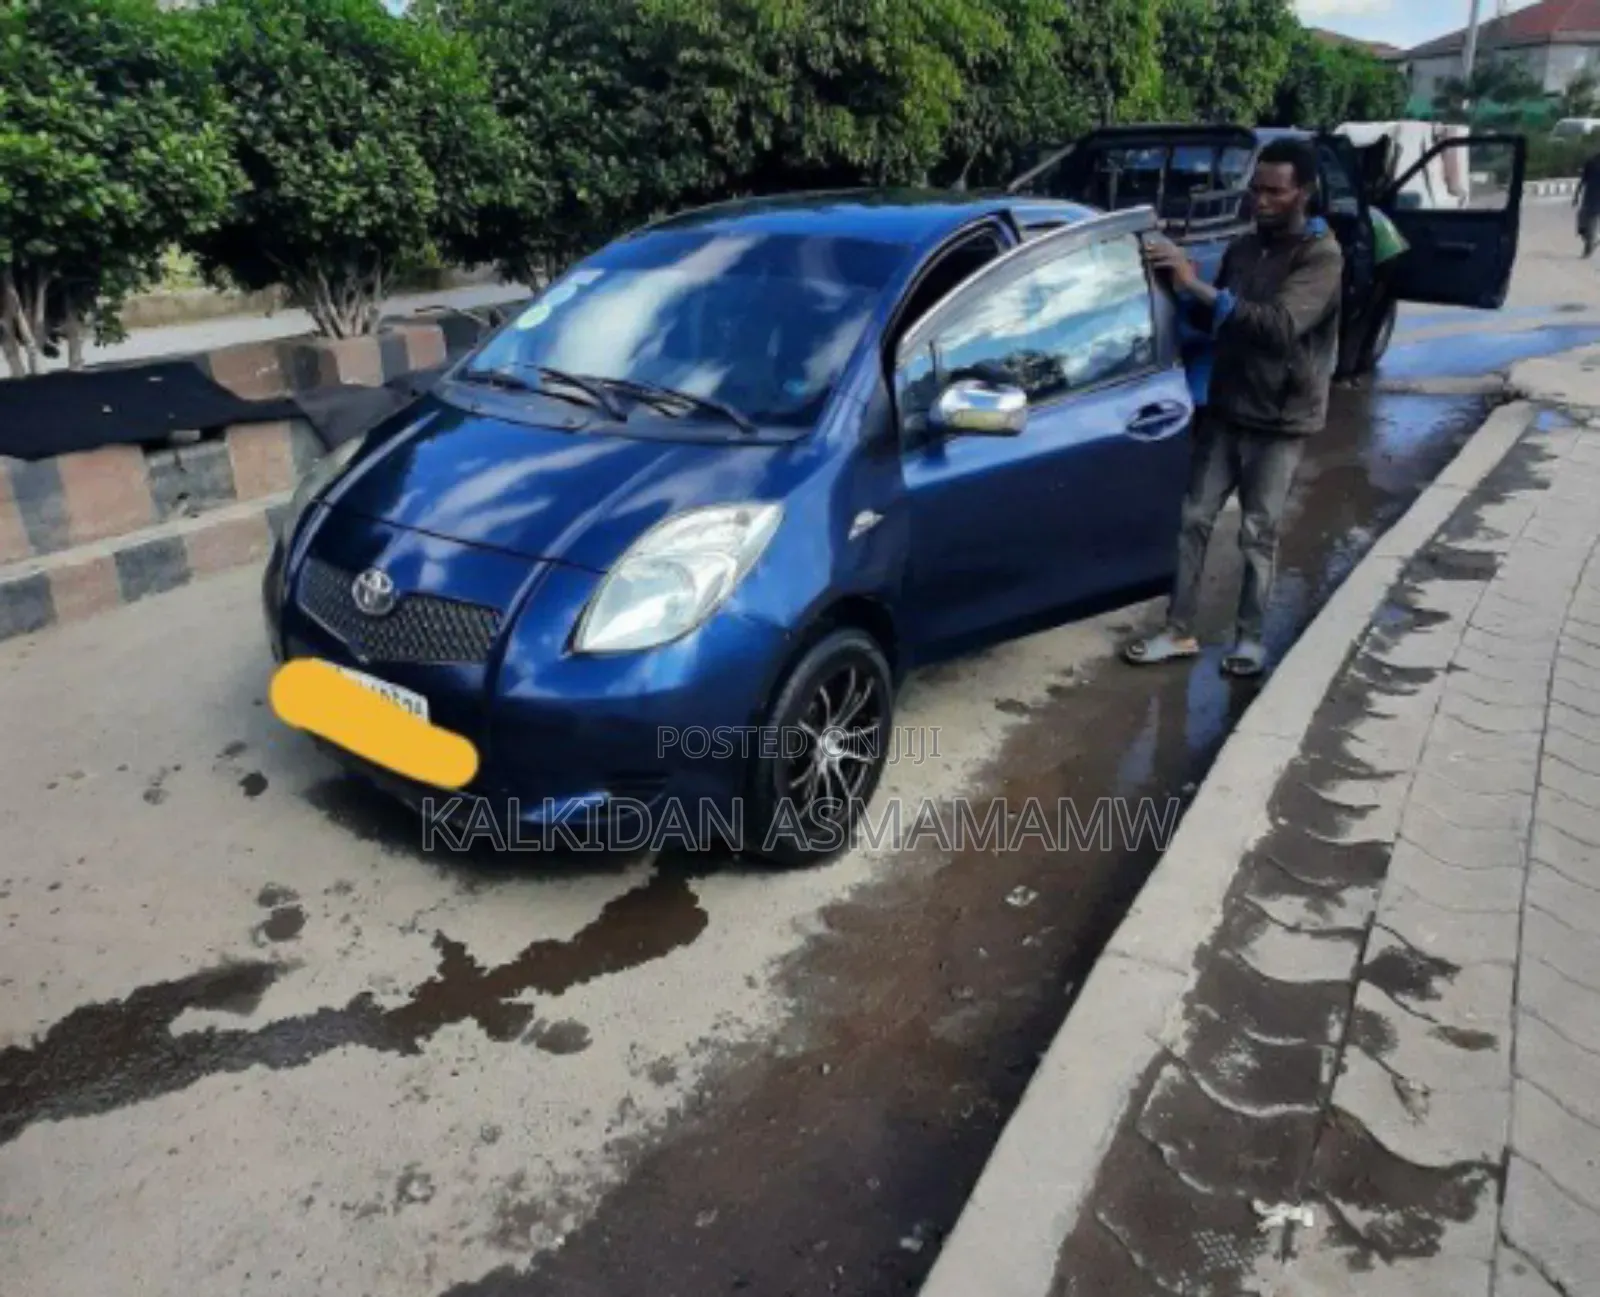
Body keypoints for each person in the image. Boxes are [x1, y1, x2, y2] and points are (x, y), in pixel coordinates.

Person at [1124, 137, 1344, 678]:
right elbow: (1215, 320)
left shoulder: (1321, 256)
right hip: (1227, 407)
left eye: (1275, 191)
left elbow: (1279, 328)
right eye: (1256, 189)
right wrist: (1169, 288)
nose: (1262, 200)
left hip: (1280, 418)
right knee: (1193, 519)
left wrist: (1194, 285)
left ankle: (1249, 639)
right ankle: (1177, 630)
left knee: (1257, 532)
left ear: (1304, 193)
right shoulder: (1246, 249)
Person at [1574, 149, 1600, 257]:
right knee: (1581, 225)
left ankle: (1588, 248)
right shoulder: (1591, 162)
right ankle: (1592, 241)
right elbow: (1583, 179)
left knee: (1591, 224)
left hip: (1597, 200)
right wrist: (1576, 195)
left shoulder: (1591, 161)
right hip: (1588, 197)